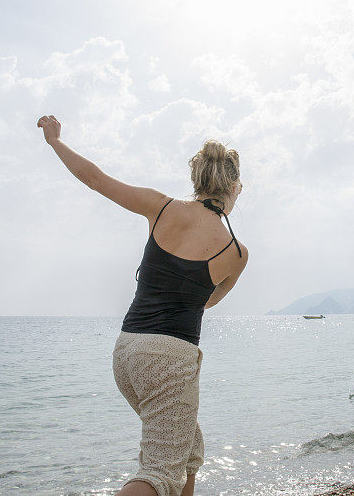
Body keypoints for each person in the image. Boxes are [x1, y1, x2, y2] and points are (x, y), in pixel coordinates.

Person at [37, 115, 249, 496]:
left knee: (187, 451)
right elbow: (208, 301)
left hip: (128, 353)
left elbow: (96, 179)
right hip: (169, 357)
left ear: (197, 181)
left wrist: (55, 141)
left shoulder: (161, 207)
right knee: (159, 471)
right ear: (233, 188)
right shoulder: (236, 252)